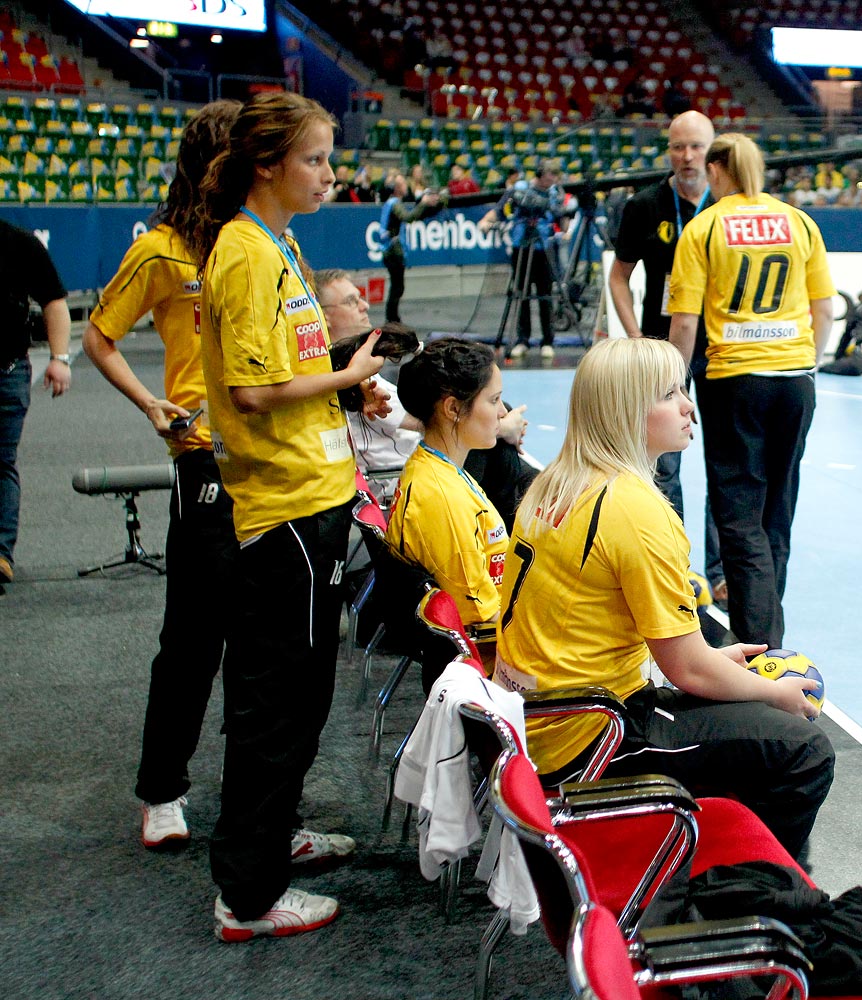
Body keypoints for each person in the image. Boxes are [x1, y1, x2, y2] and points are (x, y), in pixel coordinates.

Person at [495, 338, 835, 855]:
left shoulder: (555, 482)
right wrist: (772, 693)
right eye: (668, 394)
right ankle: (744, 886)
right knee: (805, 749)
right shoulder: (636, 510)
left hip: (532, 716)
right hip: (592, 733)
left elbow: (628, 634)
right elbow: (689, 672)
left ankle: (694, 842)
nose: (687, 405)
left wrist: (712, 663)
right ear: (627, 411)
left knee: (741, 721)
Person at [185, 91, 387, 942]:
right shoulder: (244, 251)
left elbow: (286, 367)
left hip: (312, 496)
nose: (329, 174)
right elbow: (254, 391)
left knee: (296, 696)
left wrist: (345, 375)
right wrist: (346, 380)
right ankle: (249, 894)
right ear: (267, 165)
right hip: (285, 510)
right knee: (277, 700)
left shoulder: (276, 242)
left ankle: (271, 839)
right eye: (315, 159)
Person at [81, 99, 242, 849]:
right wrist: (152, 402)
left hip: (274, 467)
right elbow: (99, 333)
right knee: (194, 636)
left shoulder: (263, 242)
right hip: (204, 461)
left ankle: (262, 805)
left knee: (263, 645)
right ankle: (162, 791)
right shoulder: (162, 251)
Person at [668, 134, 835, 649]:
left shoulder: (705, 227)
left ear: (718, 170)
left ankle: (758, 643)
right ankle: (770, 630)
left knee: (738, 513)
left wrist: (673, 385)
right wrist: (808, 364)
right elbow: (824, 308)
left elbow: (685, 323)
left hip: (734, 381)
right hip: (794, 381)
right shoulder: (799, 222)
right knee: (777, 510)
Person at [608, 109, 725, 601]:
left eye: (696, 146)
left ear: (712, 150)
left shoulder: (729, 205)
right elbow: (619, 276)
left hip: (720, 349)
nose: (686, 156)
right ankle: (672, 561)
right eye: (678, 146)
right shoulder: (645, 205)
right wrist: (635, 337)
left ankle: (719, 571)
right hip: (662, 353)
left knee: (724, 458)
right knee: (664, 460)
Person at [383, 339, 511, 660]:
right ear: (453, 408)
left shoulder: (438, 468)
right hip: (495, 664)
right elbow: (479, 624)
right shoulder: (442, 499)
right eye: (494, 400)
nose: (503, 412)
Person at [0, 218, 72, 588]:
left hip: (7, 373)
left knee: (1, 461)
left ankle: (0, 553)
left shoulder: (20, 243)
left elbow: (54, 302)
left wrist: (60, 359)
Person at [315, 269, 422, 488]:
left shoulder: (358, 367)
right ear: (324, 316)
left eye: (360, 298)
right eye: (351, 301)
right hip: (396, 483)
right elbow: (437, 421)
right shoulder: (348, 375)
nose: (365, 305)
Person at [480, 162, 566, 360]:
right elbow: (500, 209)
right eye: (550, 176)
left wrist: (564, 228)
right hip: (522, 247)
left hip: (543, 247)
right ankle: (522, 340)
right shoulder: (520, 189)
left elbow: (560, 216)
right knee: (521, 294)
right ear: (540, 174)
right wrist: (486, 221)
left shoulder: (553, 193)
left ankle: (547, 341)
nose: (552, 181)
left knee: (545, 294)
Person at [377, 171, 443, 324]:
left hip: (390, 250)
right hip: (392, 251)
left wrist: (428, 206)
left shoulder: (391, 203)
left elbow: (414, 215)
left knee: (397, 286)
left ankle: (393, 318)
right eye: (402, 184)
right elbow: (408, 218)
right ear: (396, 188)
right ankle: (392, 319)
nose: (406, 186)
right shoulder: (394, 204)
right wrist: (424, 203)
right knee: (397, 287)